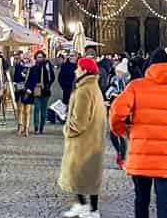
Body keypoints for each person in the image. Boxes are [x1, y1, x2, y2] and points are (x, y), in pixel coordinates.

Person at [110, 48, 167, 218]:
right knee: (165, 205)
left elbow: (117, 112)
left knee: (141, 199)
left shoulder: (136, 86)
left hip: (142, 153)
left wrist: (122, 131)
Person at [59, 56, 107, 218]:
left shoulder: (84, 90)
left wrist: (67, 129)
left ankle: (90, 209)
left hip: (83, 142)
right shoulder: (93, 87)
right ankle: (84, 205)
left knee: (79, 175)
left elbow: (79, 122)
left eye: (78, 68)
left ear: (85, 70)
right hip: (92, 141)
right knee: (88, 177)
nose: (75, 70)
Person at [106, 57, 130, 168]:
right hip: (113, 109)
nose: (118, 73)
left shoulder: (128, 83)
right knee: (113, 134)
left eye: (120, 72)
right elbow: (108, 92)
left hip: (123, 111)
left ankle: (122, 156)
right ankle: (120, 154)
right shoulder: (113, 80)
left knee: (121, 135)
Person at [25, 49, 55, 134]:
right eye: (38, 57)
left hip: (45, 91)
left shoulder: (47, 68)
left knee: (43, 111)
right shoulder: (33, 68)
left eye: (41, 57)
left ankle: (42, 127)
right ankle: (36, 127)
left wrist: (45, 84)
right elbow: (30, 79)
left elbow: (52, 78)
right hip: (36, 91)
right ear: (36, 58)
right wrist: (32, 87)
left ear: (44, 58)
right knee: (36, 109)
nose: (39, 59)